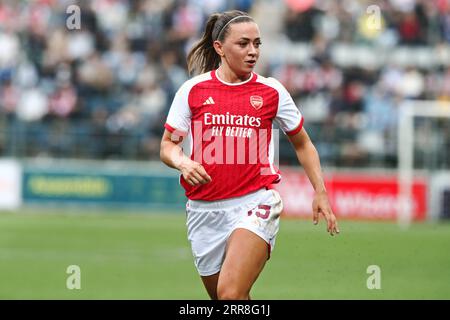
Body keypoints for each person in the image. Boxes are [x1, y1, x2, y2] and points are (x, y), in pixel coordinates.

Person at [160, 10, 339, 300]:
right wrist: (183, 162)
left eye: (257, 43)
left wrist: (320, 191)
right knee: (227, 300)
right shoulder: (192, 91)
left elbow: (303, 143)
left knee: (230, 295)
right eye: (243, 44)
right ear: (219, 48)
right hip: (203, 212)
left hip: (254, 203)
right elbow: (168, 145)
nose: (253, 51)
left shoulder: (271, 92)